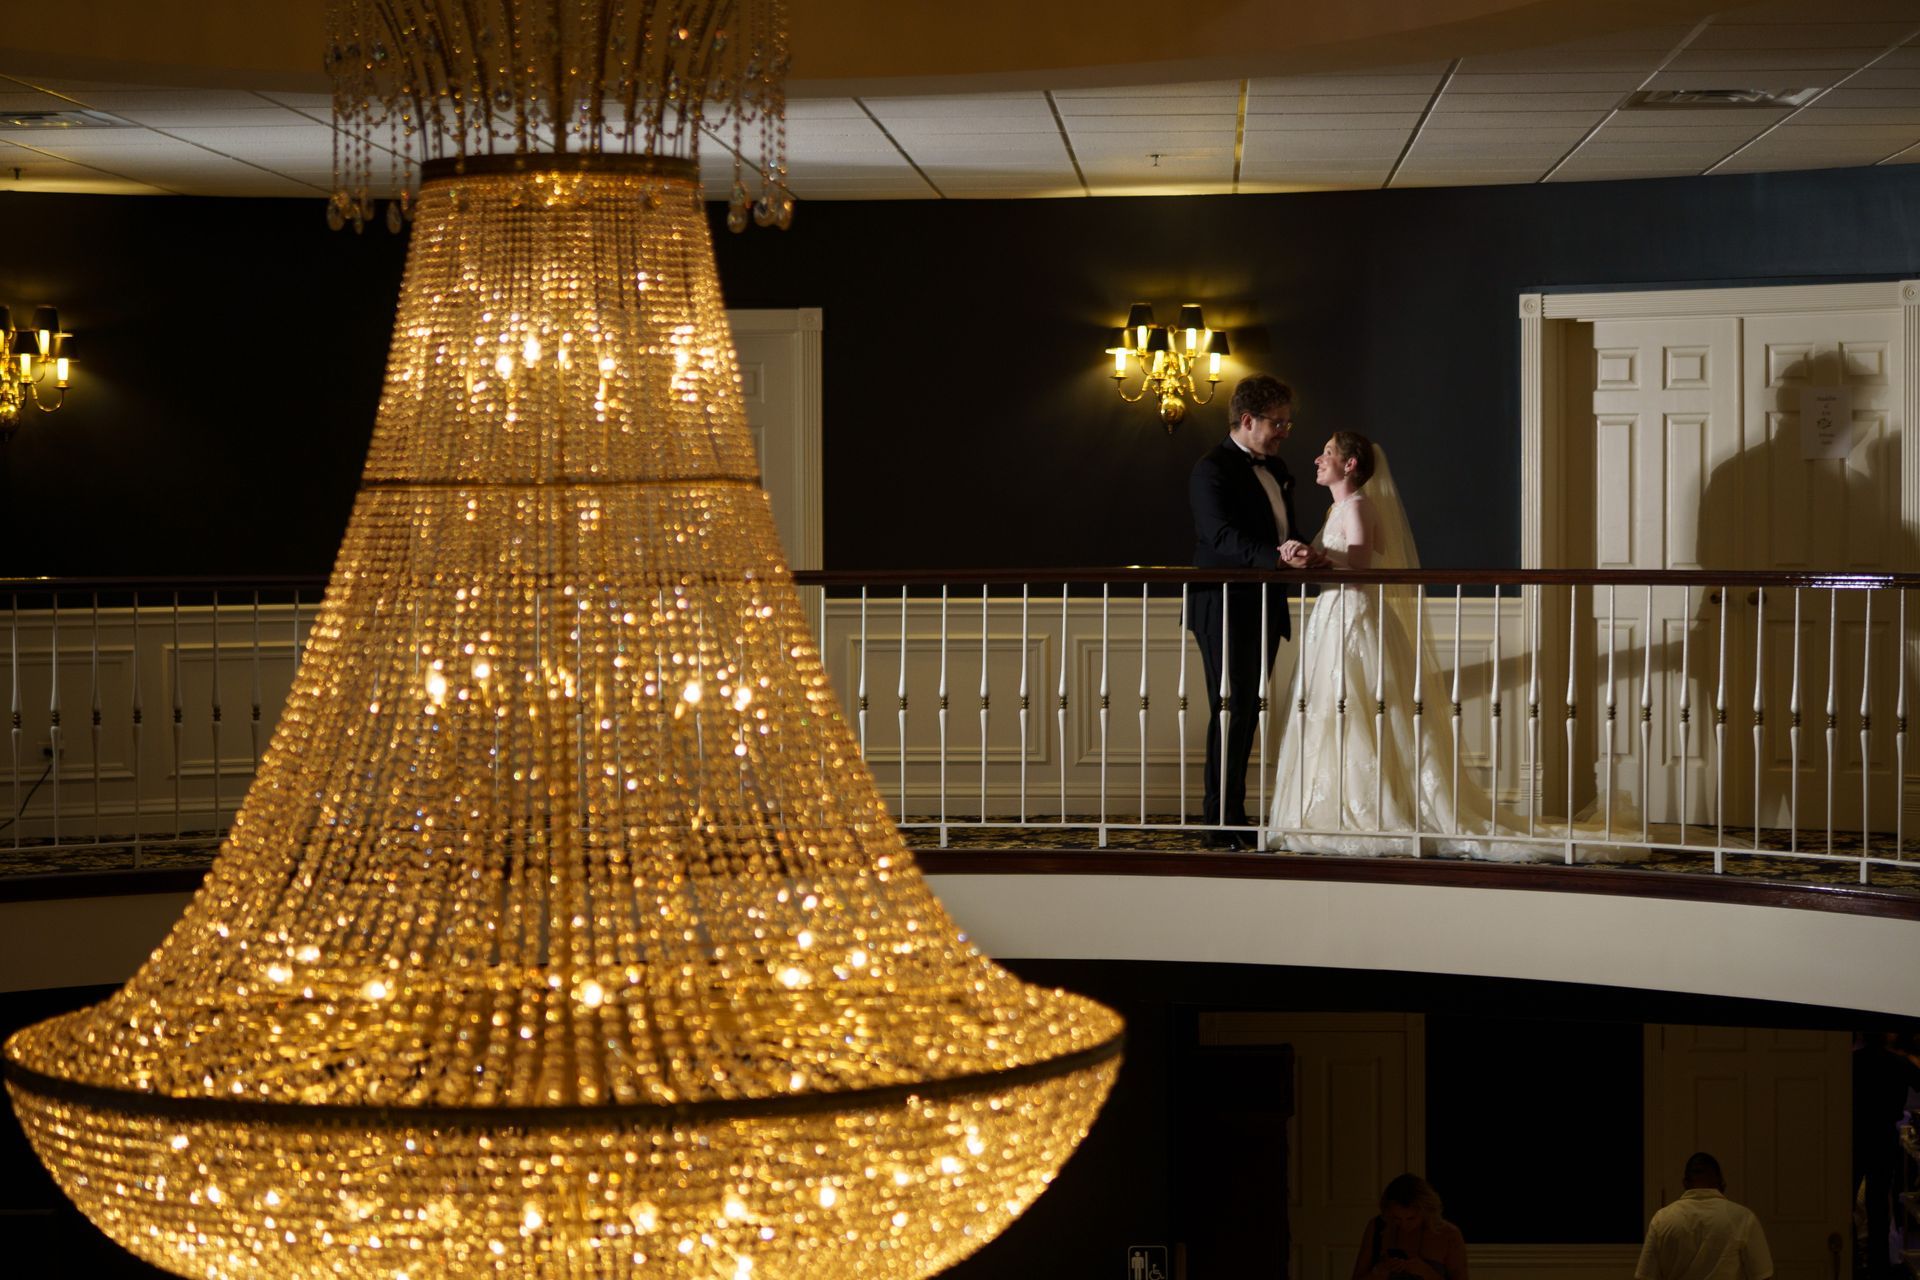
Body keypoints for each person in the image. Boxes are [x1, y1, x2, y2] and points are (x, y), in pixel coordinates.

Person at [1265, 430, 1644, 862]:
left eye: (1328, 452)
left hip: (1357, 621)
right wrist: (1303, 558)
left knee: (1363, 708)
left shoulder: (1358, 505)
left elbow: (1359, 570)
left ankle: (1372, 807)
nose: (1318, 458)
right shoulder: (1337, 507)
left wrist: (1320, 560)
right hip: (1334, 619)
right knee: (1337, 710)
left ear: (1350, 464)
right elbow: (1338, 565)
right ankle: (1328, 801)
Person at [1187, 374, 1305, 850]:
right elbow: (1220, 537)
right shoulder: (1210, 469)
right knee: (1230, 708)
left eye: (1288, 423)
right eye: (1277, 423)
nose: (1283, 432)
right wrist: (1277, 558)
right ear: (1248, 419)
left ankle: (1235, 813)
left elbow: (1282, 530)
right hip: (1223, 604)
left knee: (1249, 708)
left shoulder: (1276, 469)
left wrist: (1297, 553)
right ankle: (1219, 819)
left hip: (1265, 604)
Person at [1636, 1152, 1773, 1280]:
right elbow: (1762, 1275)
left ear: (1685, 1183)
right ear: (1721, 1182)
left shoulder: (1661, 1219)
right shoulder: (1743, 1218)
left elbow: (1645, 1275)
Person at [1351, 1173, 1469, 1280]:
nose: (1404, 1224)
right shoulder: (1378, 1227)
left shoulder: (1448, 1233)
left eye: (1411, 1218)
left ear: (1426, 1212)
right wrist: (1378, 1271)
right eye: (1396, 1218)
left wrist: (1427, 1272)